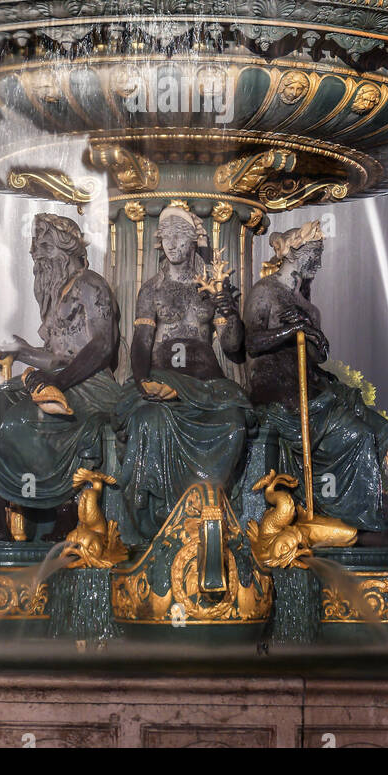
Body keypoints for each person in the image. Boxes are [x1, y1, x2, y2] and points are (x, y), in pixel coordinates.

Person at [0, 214, 120, 542]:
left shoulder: (90, 284)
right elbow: (58, 356)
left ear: (68, 249)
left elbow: (102, 347)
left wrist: (58, 382)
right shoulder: (55, 296)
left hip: (90, 384)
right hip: (57, 378)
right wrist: (23, 351)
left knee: (23, 420)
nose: (36, 255)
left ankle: (65, 511)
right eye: (35, 248)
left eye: (44, 246)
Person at [243, 221, 388, 536]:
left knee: (382, 429)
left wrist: (315, 340)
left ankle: (354, 507)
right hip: (279, 392)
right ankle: (359, 520)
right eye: (315, 252)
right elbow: (253, 343)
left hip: (312, 388)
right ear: (295, 253)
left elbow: (315, 358)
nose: (319, 260)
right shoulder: (265, 291)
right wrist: (294, 330)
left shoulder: (309, 309)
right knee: (360, 436)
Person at [115, 205, 255, 541]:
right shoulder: (152, 289)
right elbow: (141, 342)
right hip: (162, 378)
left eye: (180, 237)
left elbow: (233, 346)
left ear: (194, 241)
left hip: (207, 382)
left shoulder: (211, 287)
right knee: (149, 421)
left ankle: (209, 503)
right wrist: (141, 380)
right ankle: (160, 514)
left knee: (234, 421)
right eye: (166, 238)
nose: (172, 244)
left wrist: (227, 311)